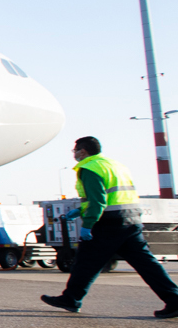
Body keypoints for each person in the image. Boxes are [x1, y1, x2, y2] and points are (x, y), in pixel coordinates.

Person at [41, 136, 178, 318]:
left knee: (86, 262)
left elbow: (98, 201)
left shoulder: (89, 168)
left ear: (83, 151)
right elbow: (112, 197)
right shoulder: (115, 165)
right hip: (132, 219)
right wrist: (80, 210)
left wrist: (87, 224)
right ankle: (174, 300)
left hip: (109, 223)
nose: (74, 154)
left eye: (75, 150)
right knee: (147, 264)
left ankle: (71, 299)